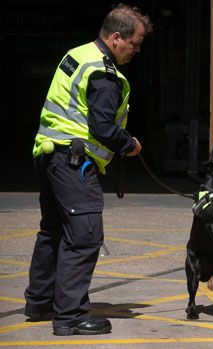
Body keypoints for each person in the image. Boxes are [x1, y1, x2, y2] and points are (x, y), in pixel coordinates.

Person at [24, 4, 152, 336]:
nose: (136, 50)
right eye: (135, 43)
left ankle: (40, 303)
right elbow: (103, 128)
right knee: (84, 236)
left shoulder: (77, 54)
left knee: (53, 230)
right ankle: (70, 316)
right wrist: (129, 144)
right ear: (116, 37)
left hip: (50, 153)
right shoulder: (104, 73)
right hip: (73, 161)